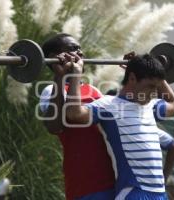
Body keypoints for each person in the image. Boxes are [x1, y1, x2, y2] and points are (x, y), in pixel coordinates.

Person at [63, 52, 174, 199]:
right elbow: (74, 114)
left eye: (156, 88)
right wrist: (76, 74)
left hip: (160, 195)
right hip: (133, 193)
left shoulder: (152, 106)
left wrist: (157, 72)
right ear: (132, 78)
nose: (153, 93)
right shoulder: (109, 106)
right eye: (150, 86)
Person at [39, 33, 115, 200]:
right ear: (55, 57)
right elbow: (54, 127)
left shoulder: (95, 91)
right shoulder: (50, 92)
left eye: (80, 48)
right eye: (73, 49)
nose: (80, 53)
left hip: (112, 179)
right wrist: (61, 76)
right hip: (83, 182)